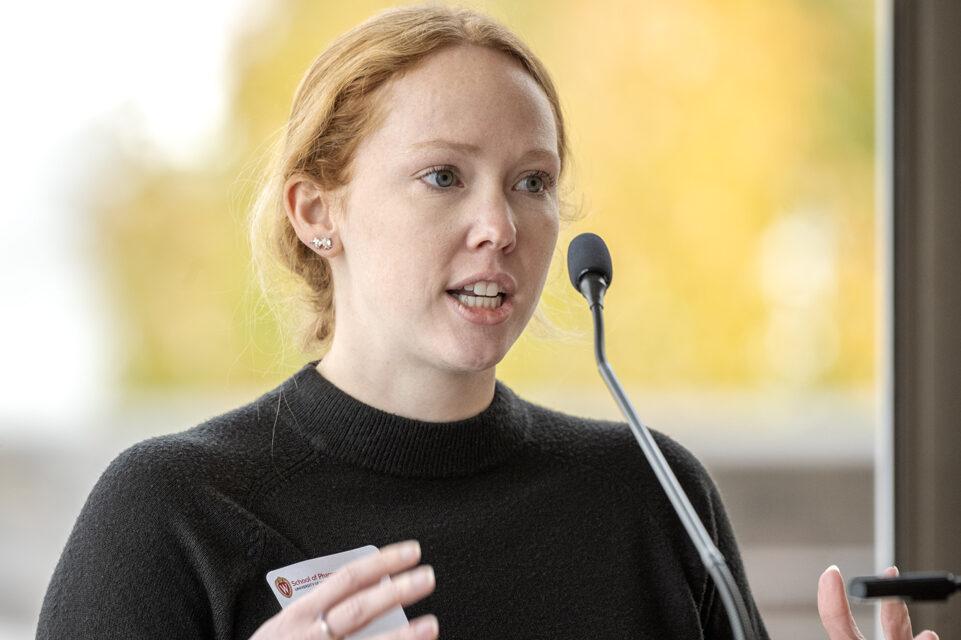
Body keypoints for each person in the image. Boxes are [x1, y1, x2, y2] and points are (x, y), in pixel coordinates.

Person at [36, 5, 937, 639]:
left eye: (531, 182)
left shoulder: (651, 496)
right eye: (443, 176)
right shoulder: (170, 512)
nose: (500, 226)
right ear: (317, 212)